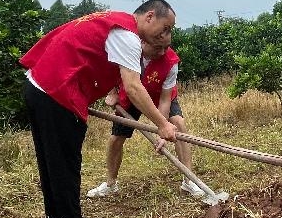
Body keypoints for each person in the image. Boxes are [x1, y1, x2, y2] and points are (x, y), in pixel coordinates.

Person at [21, 0, 177, 218]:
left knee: (51, 160)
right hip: (56, 90)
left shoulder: (114, 21)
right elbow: (133, 87)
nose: (166, 35)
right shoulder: (127, 36)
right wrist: (162, 124)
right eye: (166, 28)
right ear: (150, 16)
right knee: (65, 163)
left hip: (39, 84)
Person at [87, 42, 203, 199]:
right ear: (143, 41)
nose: (162, 52)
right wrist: (112, 92)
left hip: (159, 96)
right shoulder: (127, 49)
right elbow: (108, 69)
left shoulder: (171, 61)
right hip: (132, 96)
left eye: (165, 47)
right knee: (116, 139)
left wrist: (162, 130)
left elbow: (165, 100)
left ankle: (189, 181)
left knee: (178, 123)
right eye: (158, 47)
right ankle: (110, 184)